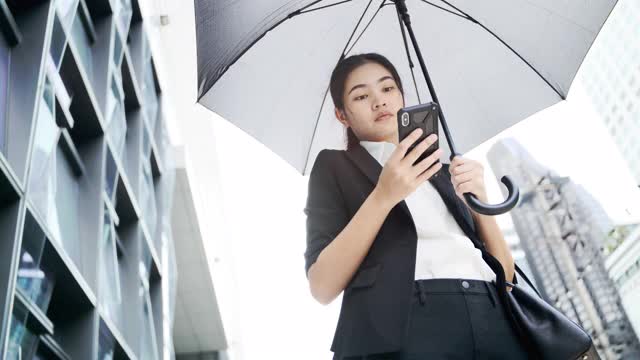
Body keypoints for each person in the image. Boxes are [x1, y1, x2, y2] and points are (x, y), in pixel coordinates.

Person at [303, 53, 529, 359]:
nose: (379, 102)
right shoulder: (334, 166)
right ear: (342, 115)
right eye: (361, 96)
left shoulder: (446, 170)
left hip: (491, 313)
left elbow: (507, 279)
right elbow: (322, 285)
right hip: (406, 324)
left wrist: (480, 202)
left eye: (387, 89)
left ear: (402, 96)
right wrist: (383, 196)